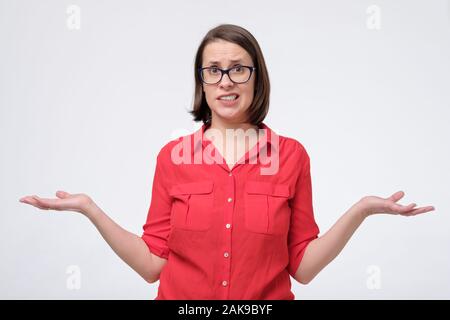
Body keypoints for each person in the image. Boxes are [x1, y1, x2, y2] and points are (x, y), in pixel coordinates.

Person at [19, 24, 435, 300]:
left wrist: (362, 209)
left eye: (238, 69)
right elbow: (152, 264)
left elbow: (302, 268)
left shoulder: (290, 156)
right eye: (213, 71)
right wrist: (90, 209)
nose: (226, 82)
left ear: (257, 77)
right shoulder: (173, 158)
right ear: (201, 82)